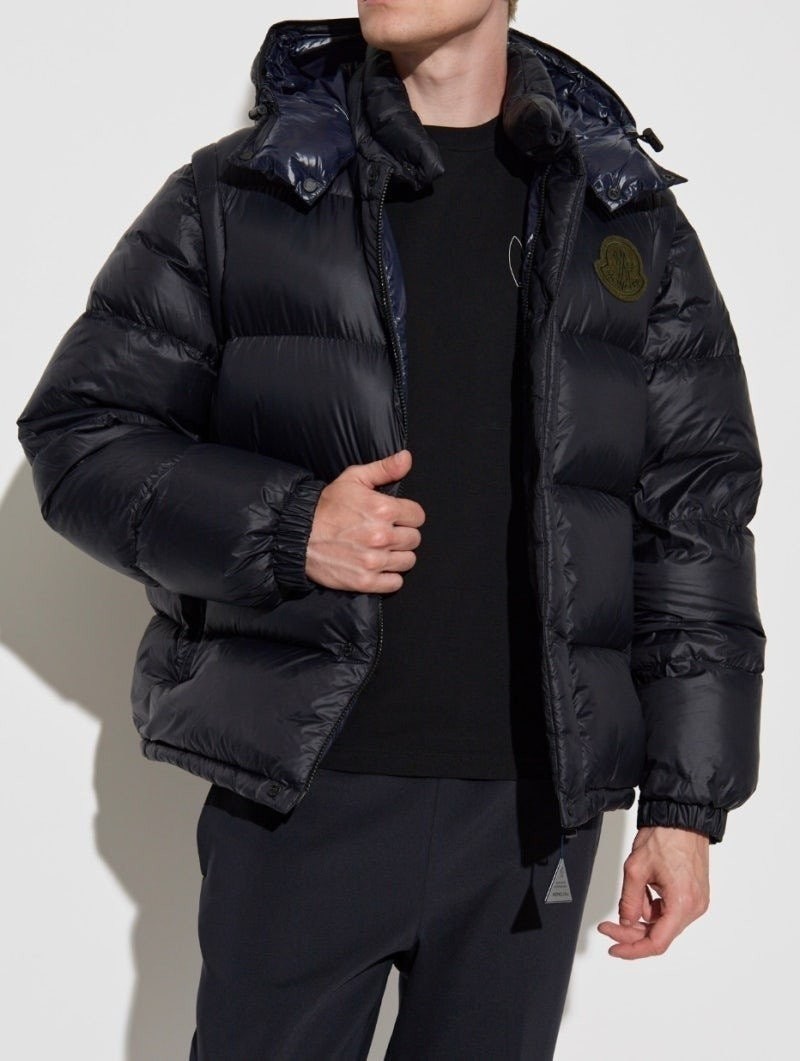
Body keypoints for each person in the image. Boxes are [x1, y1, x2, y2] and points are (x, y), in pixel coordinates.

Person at [16, 1, 766, 1058]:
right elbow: (79, 434)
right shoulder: (242, 195)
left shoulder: (624, 218)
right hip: (304, 795)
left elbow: (693, 512)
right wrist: (287, 527)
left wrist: (684, 806)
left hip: (530, 817)